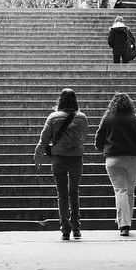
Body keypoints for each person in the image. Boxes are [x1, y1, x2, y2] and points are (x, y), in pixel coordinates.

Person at [33, 89, 90, 240]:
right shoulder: (82, 117)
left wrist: (38, 153)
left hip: (58, 159)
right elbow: (84, 136)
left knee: (62, 194)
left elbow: (44, 139)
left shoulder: (53, 117)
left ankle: (65, 229)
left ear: (60, 101)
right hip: (76, 158)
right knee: (74, 192)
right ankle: (76, 227)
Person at [94, 92, 136, 236]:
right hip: (133, 159)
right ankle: (125, 222)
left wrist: (104, 147)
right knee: (129, 191)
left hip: (113, 159)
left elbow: (98, 139)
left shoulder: (107, 118)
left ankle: (124, 223)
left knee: (120, 190)